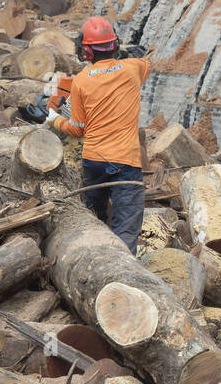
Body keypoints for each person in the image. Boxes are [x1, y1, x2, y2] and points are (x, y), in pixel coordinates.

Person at [48, 16, 150, 254]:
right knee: (125, 229)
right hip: (126, 162)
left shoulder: (81, 81)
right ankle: (122, 272)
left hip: (94, 161)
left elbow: (78, 129)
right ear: (115, 45)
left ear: (86, 52)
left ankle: (93, 259)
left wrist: (56, 120)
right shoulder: (134, 69)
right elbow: (147, 62)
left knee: (94, 219)